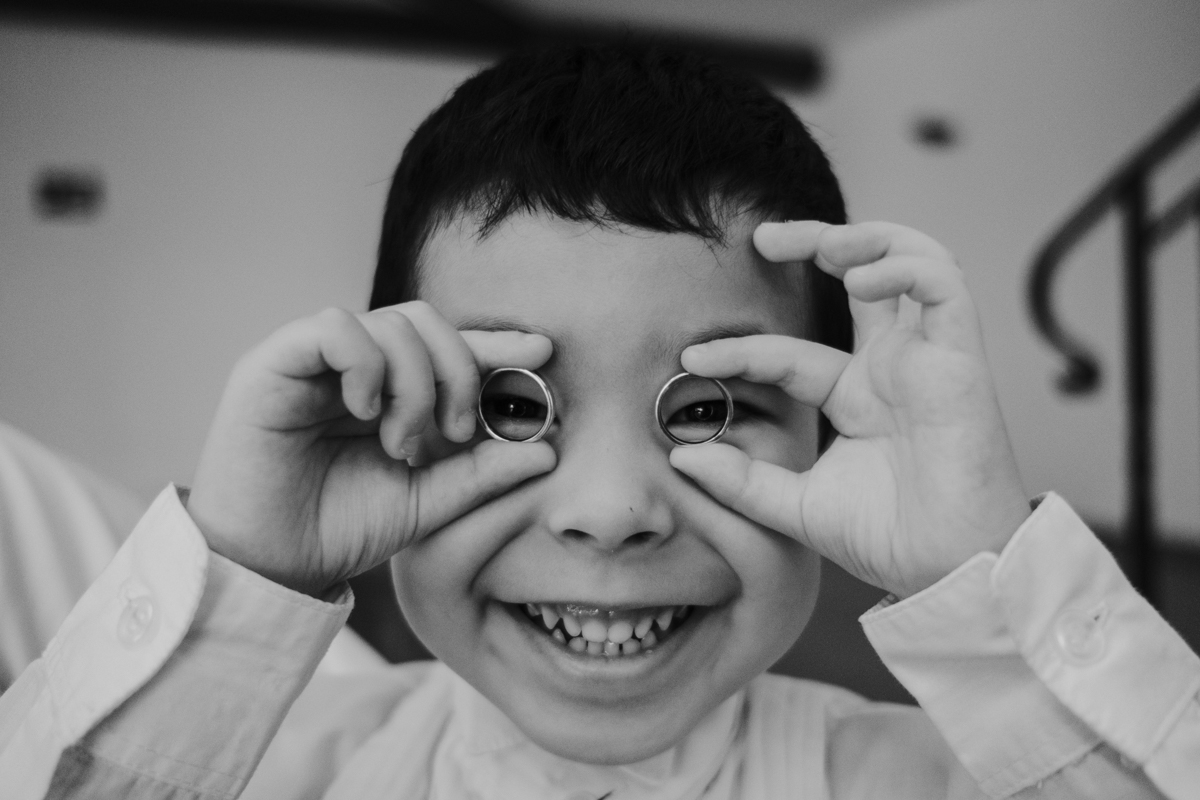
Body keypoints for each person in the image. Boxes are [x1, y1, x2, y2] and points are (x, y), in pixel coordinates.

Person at [1, 44, 1197, 800]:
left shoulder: (939, 775)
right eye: (514, 404)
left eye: (712, 406)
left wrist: (980, 570)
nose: (611, 509)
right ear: (385, 417)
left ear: (826, 437)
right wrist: (241, 568)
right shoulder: (265, 762)